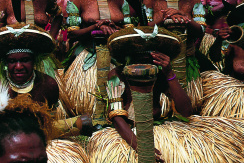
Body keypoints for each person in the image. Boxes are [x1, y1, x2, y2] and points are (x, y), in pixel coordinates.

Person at [87, 25, 244, 163]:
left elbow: (186, 111)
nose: (144, 59)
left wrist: (169, 73)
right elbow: (116, 116)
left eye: (150, 55)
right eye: (138, 55)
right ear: (128, 55)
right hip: (129, 131)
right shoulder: (116, 74)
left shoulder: (162, 73)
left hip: (160, 127)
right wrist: (140, 146)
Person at [63, 0, 132, 124]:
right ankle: (89, 108)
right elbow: (72, 34)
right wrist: (95, 29)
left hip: (117, 55)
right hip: (87, 53)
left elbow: (130, 29)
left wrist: (114, 28)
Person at [143, 0, 206, 111]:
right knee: (158, 109)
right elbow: (144, 30)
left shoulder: (192, 0)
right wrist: (162, 20)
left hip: (187, 59)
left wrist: (186, 18)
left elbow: (201, 31)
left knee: (192, 106)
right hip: (158, 61)